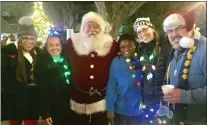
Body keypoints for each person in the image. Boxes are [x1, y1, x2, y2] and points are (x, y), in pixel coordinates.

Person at [64, 11, 118, 125]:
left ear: (102, 28)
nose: (92, 30)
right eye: (88, 26)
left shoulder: (112, 45)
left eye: (96, 26)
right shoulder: (71, 43)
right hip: (77, 99)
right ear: (83, 27)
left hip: (102, 101)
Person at [162, 8, 206, 125]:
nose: (173, 34)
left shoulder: (204, 50)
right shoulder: (176, 50)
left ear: (190, 27)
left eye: (178, 28)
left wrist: (184, 96)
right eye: (169, 31)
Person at [1, 16, 41, 125]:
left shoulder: (39, 53)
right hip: (14, 101)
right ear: (20, 38)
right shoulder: (7, 51)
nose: (29, 42)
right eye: (25, 38)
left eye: (32, 38)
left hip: (33, 101)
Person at [35, 29, 73, 125]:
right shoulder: (41, 63)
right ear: (46, 47)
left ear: (61, 46)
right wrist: (46, 113)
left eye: (57, 45)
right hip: (53, 109)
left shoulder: (66, 59)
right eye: (51, 45)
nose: (54, 48)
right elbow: (42, 90)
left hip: (69, 107)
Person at [106, 34, 144, 125]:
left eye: (130, 46)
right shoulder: (116, 62)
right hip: (120, 110)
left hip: (140, 110)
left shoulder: (141, 60)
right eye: (122, 47)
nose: (126, 49)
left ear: (135, 45)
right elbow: (112, 86)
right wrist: (109, 108)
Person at [133, 17, 171, 106]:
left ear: (152, 29)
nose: (142, 33)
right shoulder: (140, 50)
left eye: (144, 29)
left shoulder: (165, 45)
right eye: (139, 32)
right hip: (147, 97)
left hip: (165, 96)